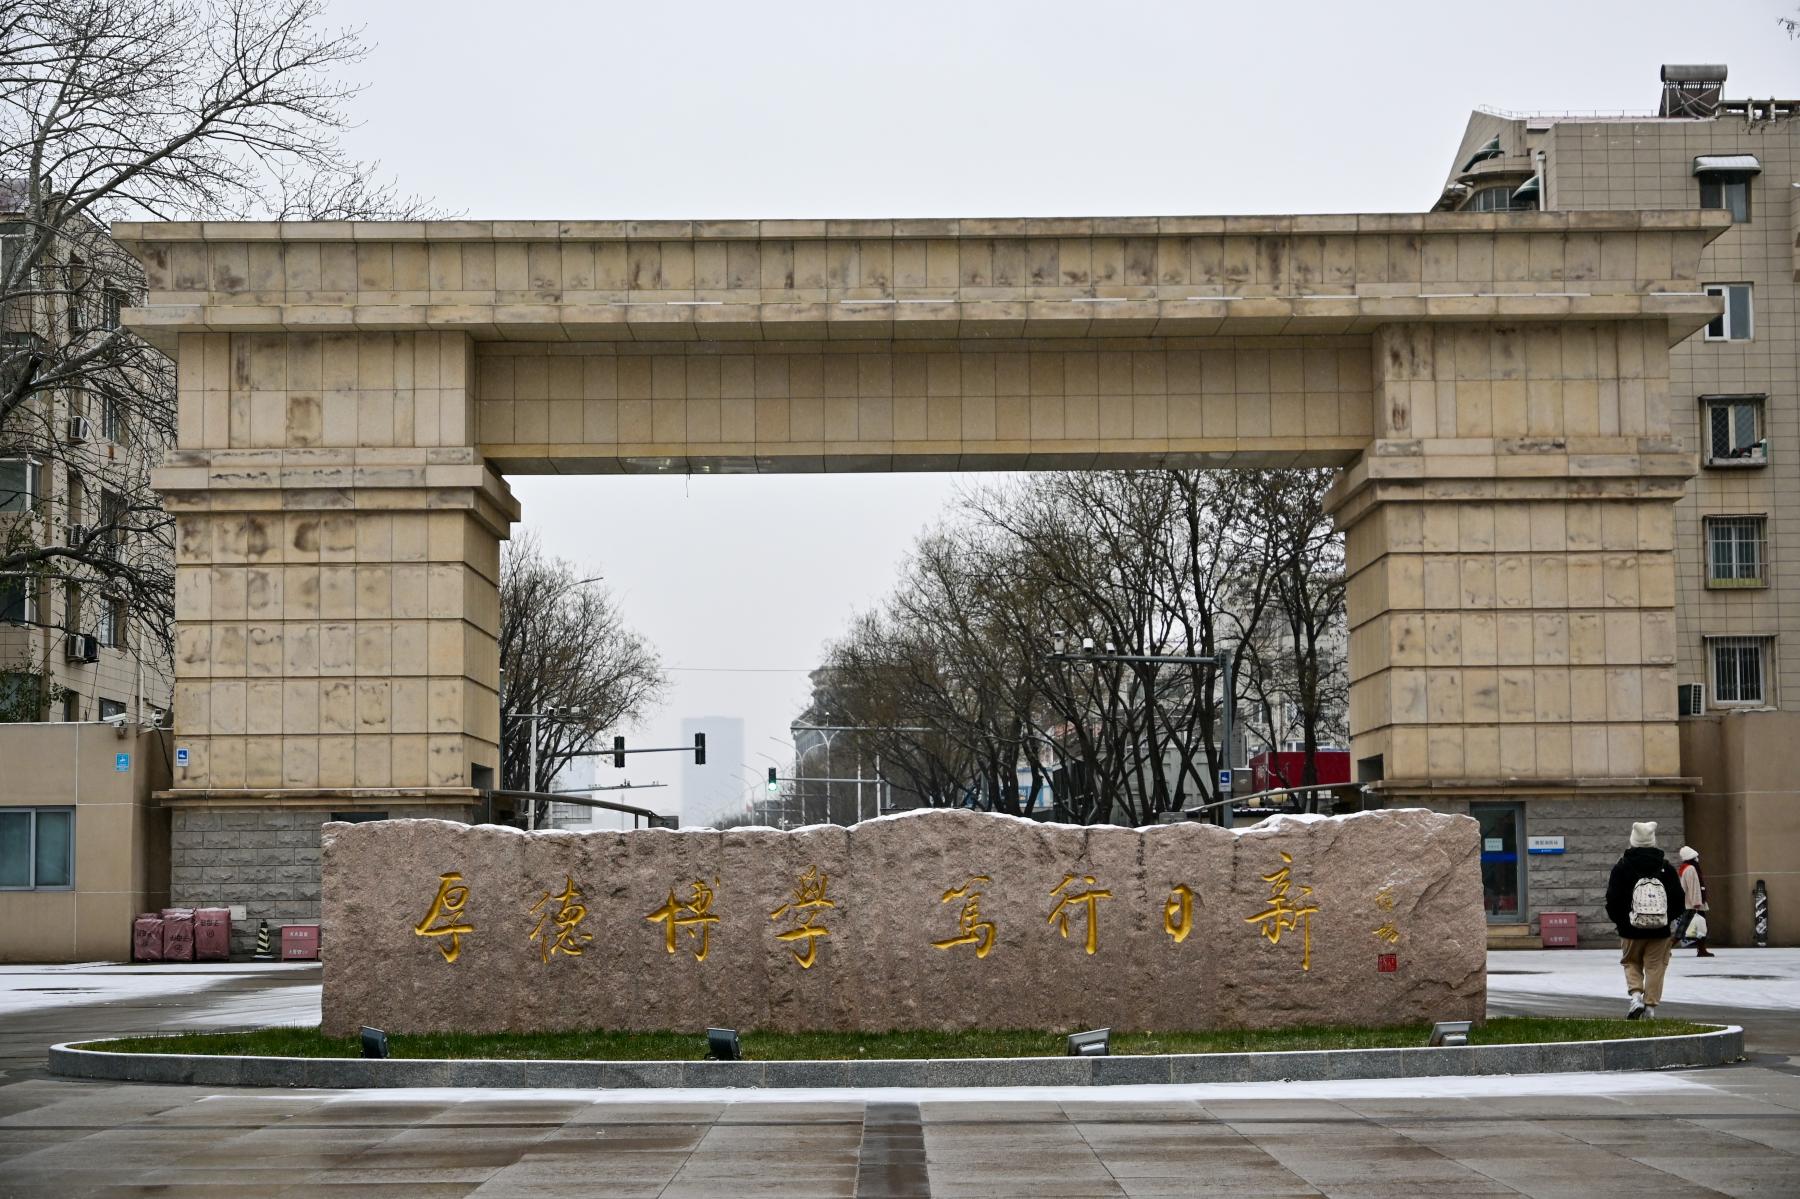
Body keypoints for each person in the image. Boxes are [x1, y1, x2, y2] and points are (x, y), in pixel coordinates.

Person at [1604, 821, 1685, 1019]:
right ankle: (1650, 1007)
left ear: (1633, 841)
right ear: (1652, 841)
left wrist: (1621, 922)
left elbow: (1612, 899)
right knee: (1655, 966)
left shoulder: (1622, 867)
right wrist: (1666, 919)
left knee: (1631, 962)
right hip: (1660, 930)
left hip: (1630, 929)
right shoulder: (1665, 867)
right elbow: (1679, 900)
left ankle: (1636, 997)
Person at [1674, 846, 1714, 958]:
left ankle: (1702, 949)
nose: (1697, 858)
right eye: (1696, 856)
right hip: (1694, 904)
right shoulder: (1691, 869)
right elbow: (1694, 887)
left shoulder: (1686, 868)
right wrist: (1697, 902)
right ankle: (1666, 949)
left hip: (1692, 903)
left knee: (1699, 927)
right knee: (1684, 929)